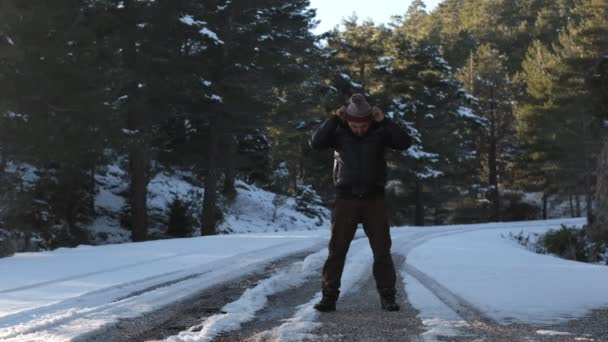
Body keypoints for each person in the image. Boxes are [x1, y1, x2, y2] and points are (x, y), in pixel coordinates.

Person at [309, 93, 412, 312]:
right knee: (337, 251)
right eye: (354, 126)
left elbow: (405, 142)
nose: (359, 129)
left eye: (363, 125)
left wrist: (385, 121)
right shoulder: (337, 132)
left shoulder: (381, 131)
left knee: (382, 251)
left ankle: (388, 297)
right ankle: (329, 297)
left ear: (369, 121)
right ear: (347, 121)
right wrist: (334, 119)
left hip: (374, 199)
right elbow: (315, 143)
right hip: (345, 199)